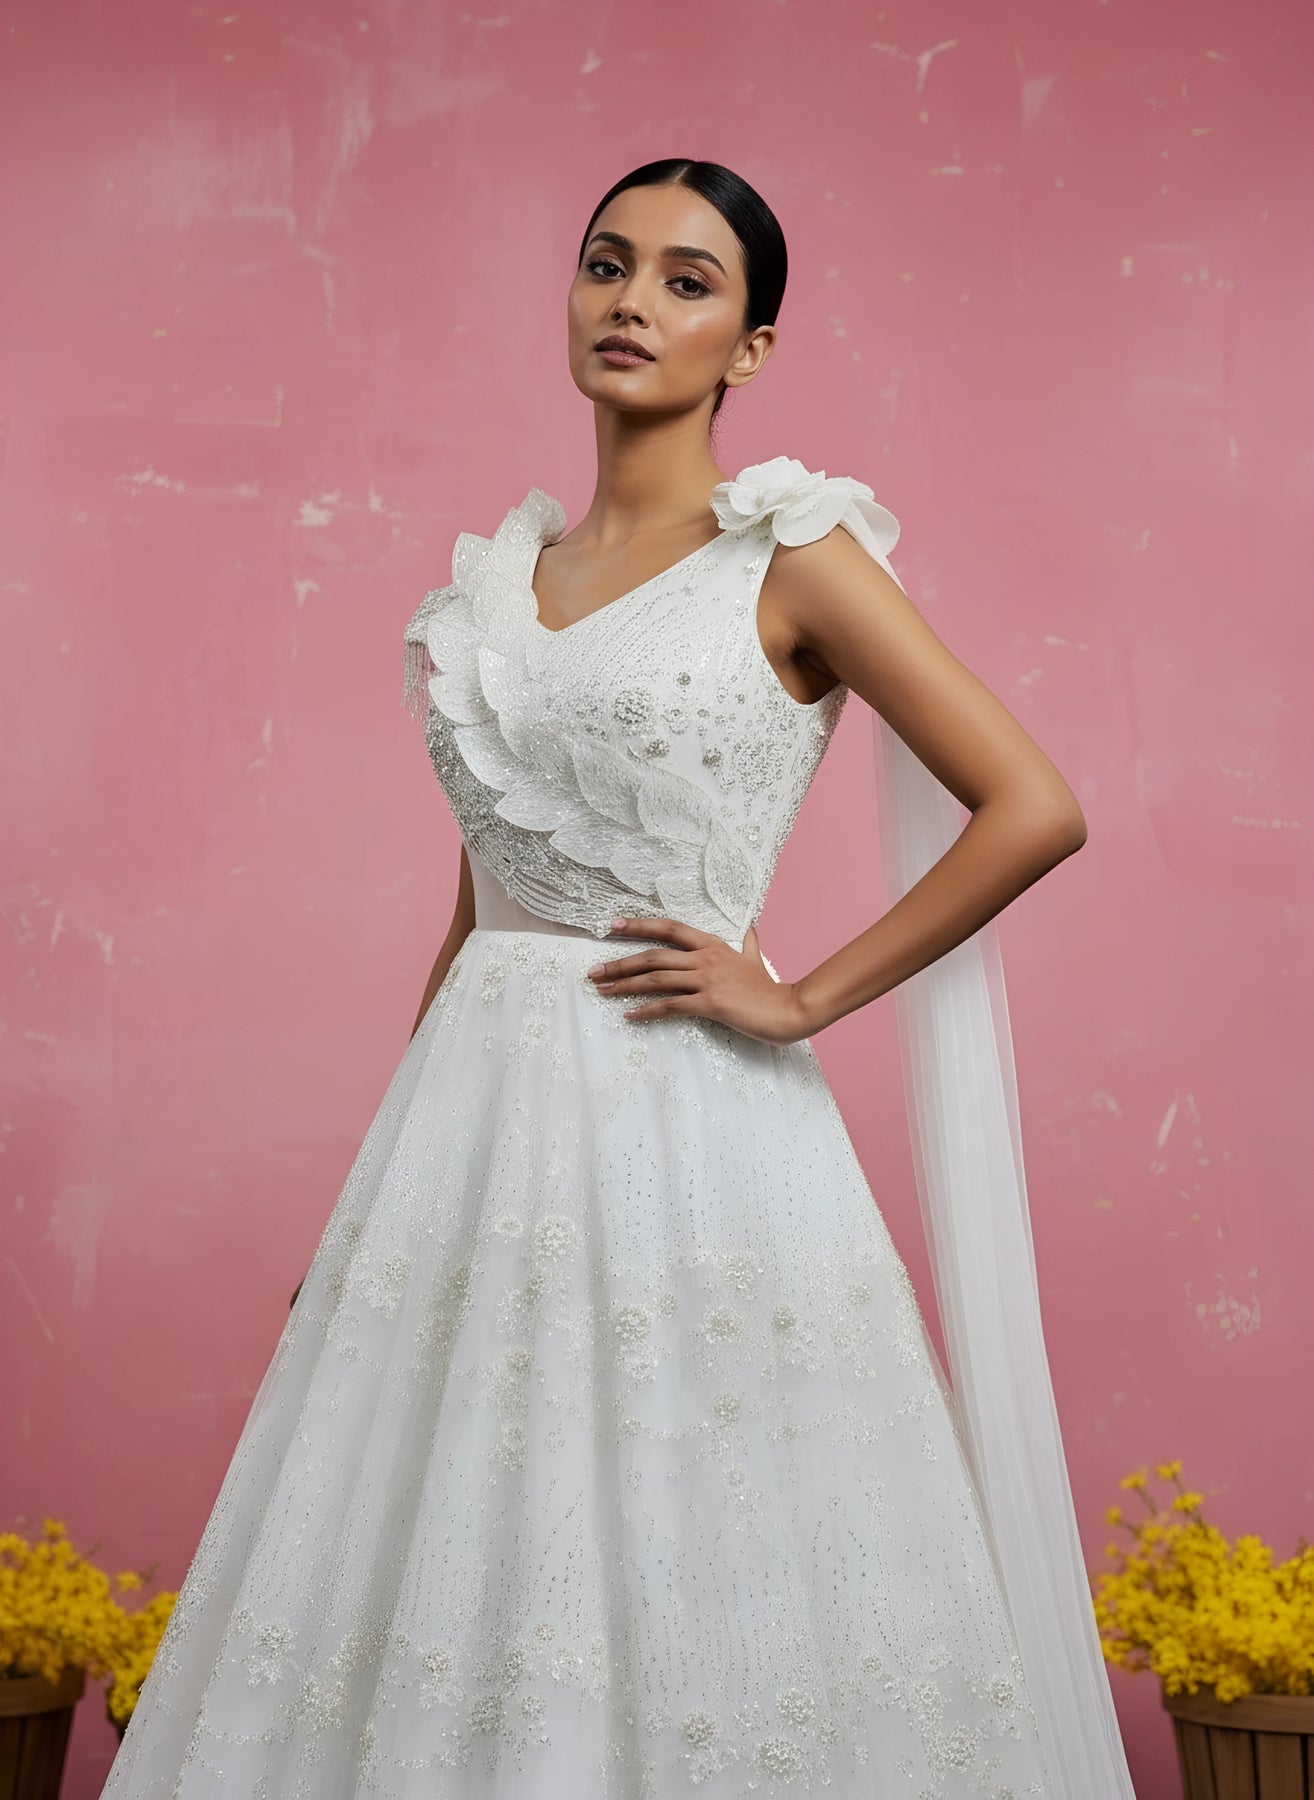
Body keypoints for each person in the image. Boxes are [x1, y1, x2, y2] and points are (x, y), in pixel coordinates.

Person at [103, 159, 1135, 1797]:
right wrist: (375, 1200)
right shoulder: (491, 585)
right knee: (452, 1550)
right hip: (471, 1131)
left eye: (685, 279)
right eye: (606, 264)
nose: (632, 301)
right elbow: (480, 904)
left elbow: (1033, 806)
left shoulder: (793, 557)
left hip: (688, 1122)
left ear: (751, 346)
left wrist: (799, 995)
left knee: (697, 1531)